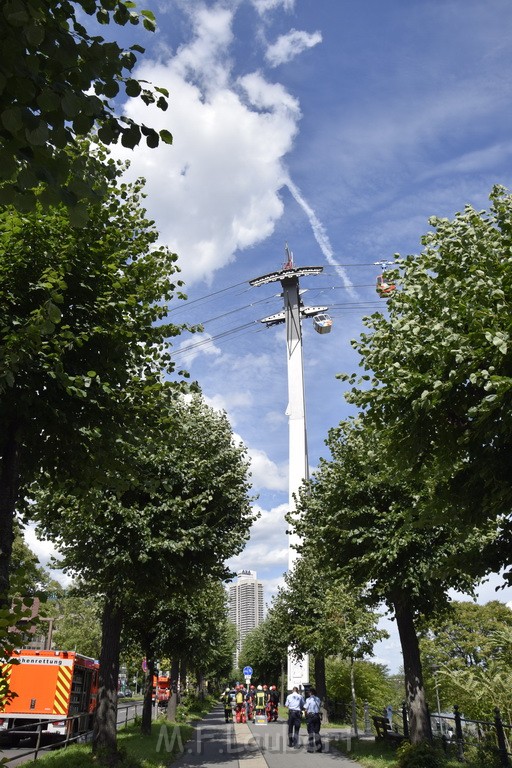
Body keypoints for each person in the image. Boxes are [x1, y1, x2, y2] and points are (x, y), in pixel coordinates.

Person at [303, 687, 322, 752]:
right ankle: (319, 748)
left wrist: (306, 716)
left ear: (311, 693)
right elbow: (319, 706)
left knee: (310, 732)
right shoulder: (318, 699)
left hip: (310, 716)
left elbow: (305, 708)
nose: (308, 693)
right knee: (317, 732)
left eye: (309, 692)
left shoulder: (308, 699)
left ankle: (311, 748)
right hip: (317, 716)